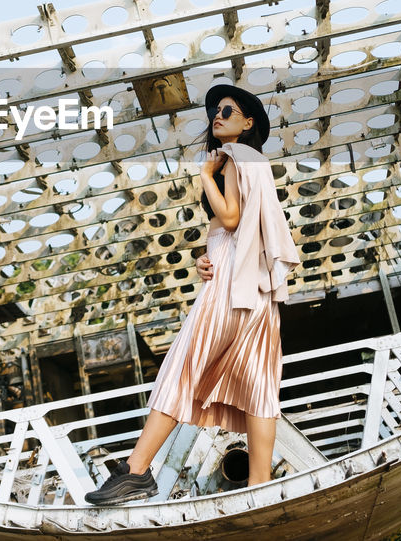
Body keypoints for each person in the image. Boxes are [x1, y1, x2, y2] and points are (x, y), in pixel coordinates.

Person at [85, 83, 299, 506]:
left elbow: (233, 217)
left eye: (227, 109)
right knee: (259, 383)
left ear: (248, 121)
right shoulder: (253, 162)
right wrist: (205, 256)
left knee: (183, 364)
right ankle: (260, 488)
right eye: (214, 111)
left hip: (230, 288)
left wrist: (203, 174)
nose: (216, 115)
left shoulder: (236, 156)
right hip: (256, 291)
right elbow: (232, 226)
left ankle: (137, 471)